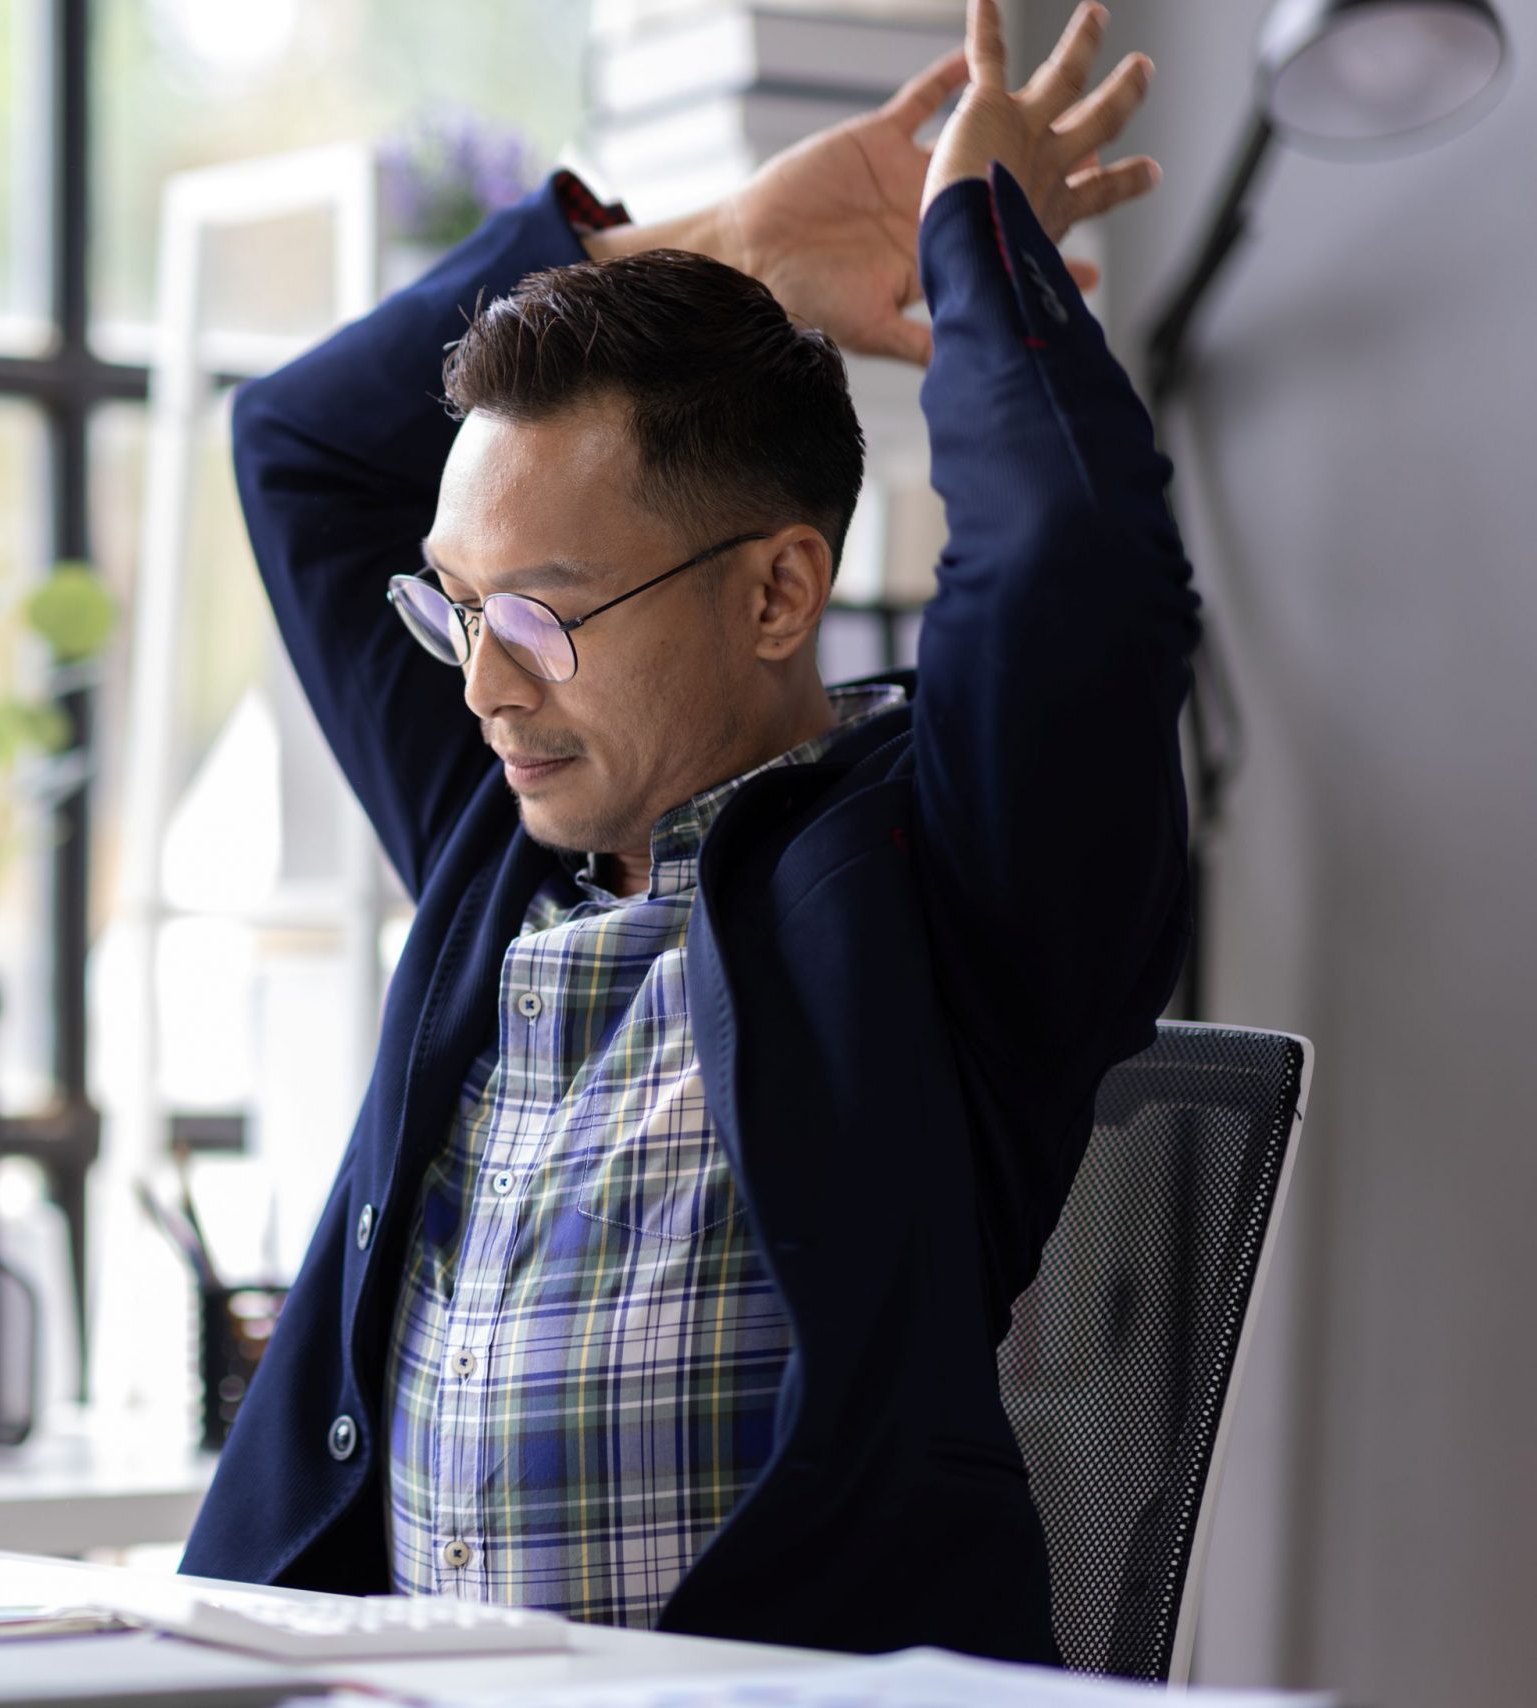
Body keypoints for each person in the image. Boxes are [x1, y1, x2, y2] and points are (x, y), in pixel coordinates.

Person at [176, 0, 1199, 1665]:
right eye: (455, 613)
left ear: (781, 593)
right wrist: (720, 248)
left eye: (543, 615)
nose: (486, 688)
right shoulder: (497, 842)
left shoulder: (937, 886)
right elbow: (292, 447)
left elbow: (1076, 576)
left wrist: (974, 231)